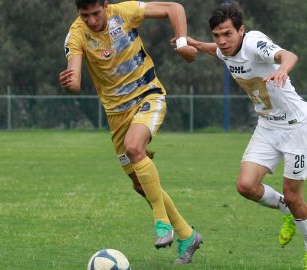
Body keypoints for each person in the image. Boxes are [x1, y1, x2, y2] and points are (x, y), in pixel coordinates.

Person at [179, 3, 307, 269]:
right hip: (267, 126)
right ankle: (286, 210)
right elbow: (218, 53)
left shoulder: (254, 42)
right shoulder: (225, 49)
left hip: (296, 127)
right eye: (217, 35)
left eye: (227, 34)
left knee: (295, 197)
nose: (222, 41)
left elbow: (289, 55)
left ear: (241, 30)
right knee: (246, 185)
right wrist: (197, 43)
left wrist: (282, 69)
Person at [59, 0, 202, 264]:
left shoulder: (124, 12)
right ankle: (187, 234)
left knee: (135, 148)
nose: (91, 20)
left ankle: (161, 222)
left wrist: (182, 44)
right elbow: (75, 80)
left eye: (95, 13)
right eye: (84, 15)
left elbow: (174, 8)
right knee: (140, 184)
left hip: (148, 95)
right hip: (116, 115)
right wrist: (70, 83)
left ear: (105, 5)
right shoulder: (76, 34)